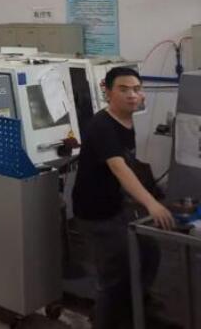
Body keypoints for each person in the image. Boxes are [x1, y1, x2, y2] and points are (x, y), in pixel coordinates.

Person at [72, 66, 174, 329]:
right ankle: (106, 321)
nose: (132, 95)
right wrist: (151, 203)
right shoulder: (102, 126)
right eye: (123, 89)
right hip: (96, 214)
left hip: (116, 205)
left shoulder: (126, 120)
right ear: (107, 92)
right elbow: (119, 167)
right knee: (113, 276)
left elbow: (129, 164)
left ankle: (136, 305)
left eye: (137, 89)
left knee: (148, 251)